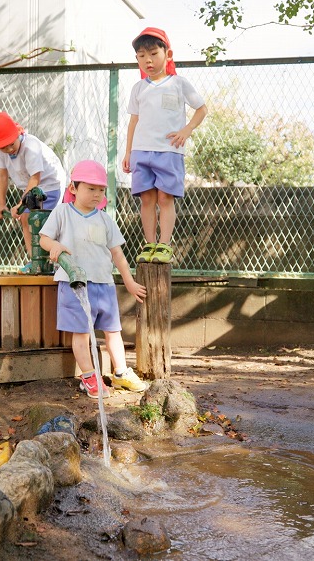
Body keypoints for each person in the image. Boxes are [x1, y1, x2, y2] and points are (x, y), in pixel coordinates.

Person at [39, 160, 149, 398]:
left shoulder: (105, 219)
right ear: (74, 188)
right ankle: (89, 377)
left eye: (101, 190)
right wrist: (55, 245)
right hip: (74, 284)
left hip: (105, 284)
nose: (97, 194)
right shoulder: (62, 212)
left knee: (113, 331)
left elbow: (117, 253)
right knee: (81, 334)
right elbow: (44, 239)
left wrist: (128, 282)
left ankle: (120, 374)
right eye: (91, 188)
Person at [122, 27, 207, 265]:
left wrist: (186, 130)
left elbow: (202, 109)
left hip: (169, 151)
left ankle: (165, 245)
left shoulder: (179, 83)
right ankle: (150, 244)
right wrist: (128, 151)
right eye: (141, 56)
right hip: (141, 151)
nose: (147, 60)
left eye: (153, 53)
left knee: (165, 198)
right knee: (146, 199)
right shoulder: (138, 88)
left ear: (167, 54)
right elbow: (134, 121)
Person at [0, 111, 66, 273]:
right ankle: (34, 262)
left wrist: (20, 205)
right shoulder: (1, 151)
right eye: (3, 147)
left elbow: (35, 178)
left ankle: (52, 262)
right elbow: (2, 176)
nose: (8, 149)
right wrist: (2, 205)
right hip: (30, 188)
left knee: (43, 223)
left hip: (49, 185)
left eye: (11, 144)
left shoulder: (30, 146)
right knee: (26, 220)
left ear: (17, 133)